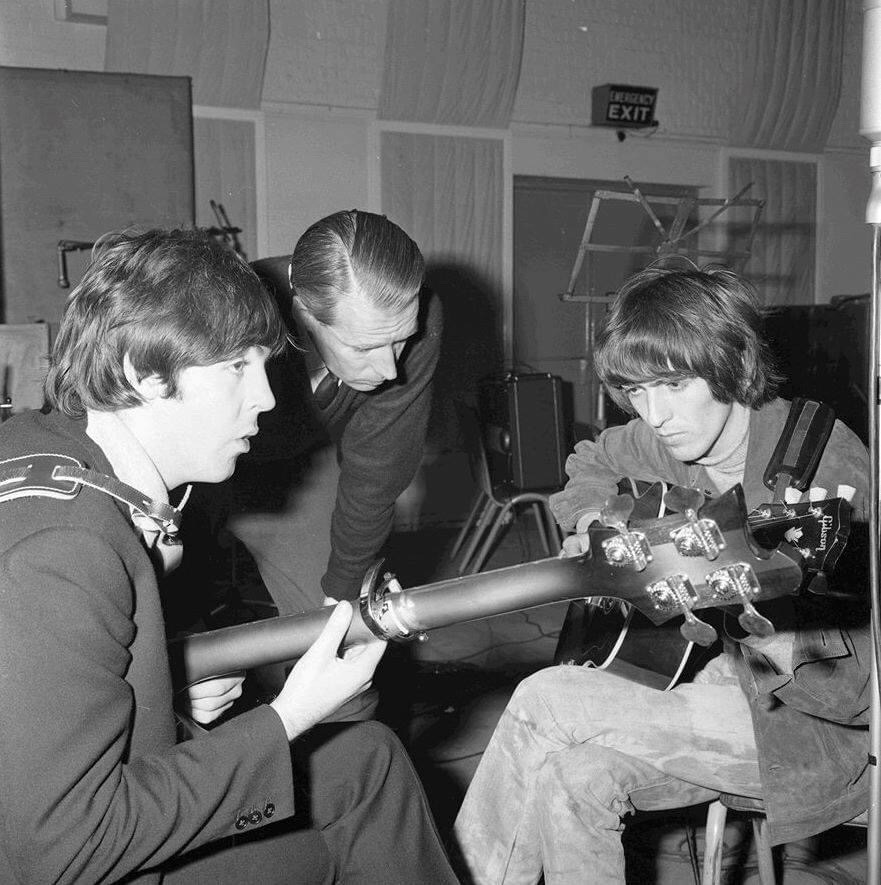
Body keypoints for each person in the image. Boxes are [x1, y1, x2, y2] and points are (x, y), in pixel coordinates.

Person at [0, 228, 458, 884]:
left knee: (368, 757)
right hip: (90, 862)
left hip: (84, 816)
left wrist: (166, 698)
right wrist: (288, 715)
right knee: (341, 819)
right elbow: (64, 853)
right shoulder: (62, 554)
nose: (269, 398)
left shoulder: (41, 447)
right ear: (143, 372)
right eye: (237, 368)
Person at [451, 262, 871, 884]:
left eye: (672, 385)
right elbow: (591, 460)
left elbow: (850, 694)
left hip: (811, 733)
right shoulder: (674, 438)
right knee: (572, 777)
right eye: (638, 391)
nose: (654, 414)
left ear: (731, 363)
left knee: (545, 700)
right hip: (718, 681)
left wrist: (777, 633)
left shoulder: (825, 473)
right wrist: (597, 521)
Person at [204, 209, 441, 619]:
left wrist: (343, 593)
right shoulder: (226, 318)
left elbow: (377, 472)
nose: (390, 370)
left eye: (400, 341)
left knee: (336, 621)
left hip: (298, 466)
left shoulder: (414, 319)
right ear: (303, 315)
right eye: (363, 348)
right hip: (196, 461)